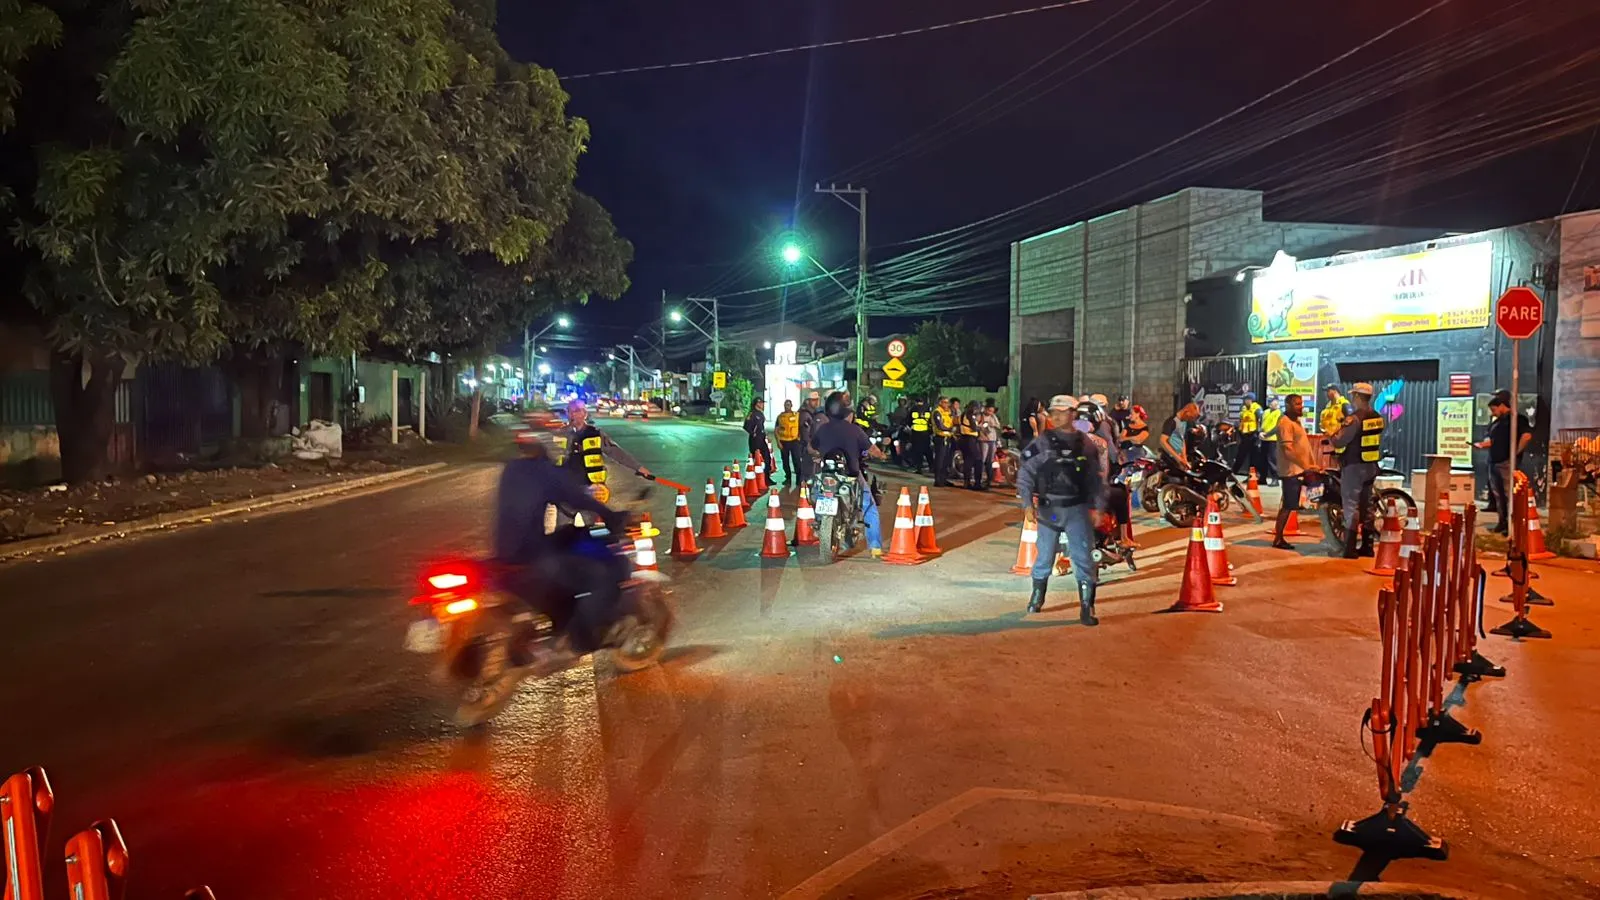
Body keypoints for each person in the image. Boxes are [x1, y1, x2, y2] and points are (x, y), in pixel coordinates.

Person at [493, 432, 632, 678]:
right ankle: (576, 641)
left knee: (569, 537)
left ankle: (561, 624)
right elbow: (576, 497)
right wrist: (612, 515)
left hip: (506, 552)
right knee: (601, 578)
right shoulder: (545, 472)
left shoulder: (512, 469)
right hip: (531, 555)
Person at [1016, 396, 1108, 625]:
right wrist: (1027, 504)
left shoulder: (1086, 444)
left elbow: (1095, 479)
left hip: (1077, 510)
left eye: (1062, 412)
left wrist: (1098, 507)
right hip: (1051, 510)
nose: (1056, 417)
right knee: (1044, 557)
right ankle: (1037, 596)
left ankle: (1087, 607)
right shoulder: (1042, 442)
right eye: (1053, 412)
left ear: (1073, 414)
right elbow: (1025, 473)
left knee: (1083, 558)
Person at [809, 391, 885, 556]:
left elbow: (811, 447)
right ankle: (875, 547)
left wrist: (817, 454)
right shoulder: (854, 430)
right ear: (846, 413)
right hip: (851, 476)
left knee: (815, 493)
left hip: (826, 475)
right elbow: (872, 449)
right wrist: (881, 454)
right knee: (869, 507)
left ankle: (818, 522)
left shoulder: (823, 429)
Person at [554, 400, 649, 516]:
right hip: (567, 487)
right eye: (570, 411)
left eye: (577, 411)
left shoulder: (595, 434)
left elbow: (616, 452)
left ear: (585, 414)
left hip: (592, 487)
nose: (573, 414)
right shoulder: (560, 434)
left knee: (591, 521)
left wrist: (638, 468)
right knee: (564, 521)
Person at [1329, 382, 1385, 558]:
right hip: (1371, 465)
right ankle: (1367, 546)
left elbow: (1339, 440)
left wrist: (1332, 434)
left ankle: (1350, 548)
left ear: (1358, 397)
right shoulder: (1377, 417)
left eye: (1354, 396)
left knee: (1351, 505)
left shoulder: (1354, 419)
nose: (1352, 399)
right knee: (1367, 505)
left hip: (1354, 466)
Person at [1474, 391, 1533, 536]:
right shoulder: (1496, 423)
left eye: (1494, 410)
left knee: (1508, 495)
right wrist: (1482, 445)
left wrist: (1515, 453)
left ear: (1502, 405)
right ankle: (1502, 521)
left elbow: (1526, 436)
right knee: (1498, 495)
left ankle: (1512, 524)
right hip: (1493, 461)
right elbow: (1492, 441)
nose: (1493, 413)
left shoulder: (1516, 419)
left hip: (1506, 462)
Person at [1270, 394, 1318, 550]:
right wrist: (1305, 465)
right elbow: (1288, 451)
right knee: (1288, 505)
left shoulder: (1296, 421)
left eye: (1301, 403)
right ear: (1288, 405)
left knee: (1301, 502)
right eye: (1297, 404)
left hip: (1301, 469)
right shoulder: (1285, 423)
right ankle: (1278, 538)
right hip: (1292, 471)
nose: (1300, 406)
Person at [1159, 402, 1201, 471]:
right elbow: (1163, 441)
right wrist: (1179, 459)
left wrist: (1184, 459)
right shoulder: (1172, 421)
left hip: (1177, 459)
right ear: (1186, 412)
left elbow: (1181, 440)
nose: (1190, 419)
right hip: (1168, 459)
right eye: (1191, 417)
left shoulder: (1184, 422)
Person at [744, 398, 775, 481]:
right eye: (761, 403)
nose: (762, 404)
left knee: (767, 458)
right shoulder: (752, 414)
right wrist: (753, 433)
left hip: (762, 439)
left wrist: (765, 435)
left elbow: (761, 426)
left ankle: (766, 478)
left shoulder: (760, 413)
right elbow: (746, 426)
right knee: (757, 459)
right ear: (757, 404)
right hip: (755, 440)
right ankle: (757, 479)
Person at [1233, 392, 1263, 475]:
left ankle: (1252, 475)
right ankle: (1233, 472)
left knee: (1253, 457)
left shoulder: (1257, 409)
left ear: (1251, 400)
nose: (1244, 401)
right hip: (1244, 436)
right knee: (1240, 455)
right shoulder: (1243, 408)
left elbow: (1261, 421)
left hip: (1253, 435)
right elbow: (1241, 421)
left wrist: (1259, 434)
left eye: (1246, 399)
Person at [776, 398, 802, 486]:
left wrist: (800, 438)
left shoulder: (797, 415)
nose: (787, 406)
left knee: (797, 460)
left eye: (788, 405)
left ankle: (799, 479)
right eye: (786, 405)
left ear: (791, 406)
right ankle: (788, 478)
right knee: (785, 461)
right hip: (784, 442)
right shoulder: (780, 417)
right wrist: (778, 442)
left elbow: (801, 427)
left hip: (795, 441)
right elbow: (776, 430)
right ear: (784, 406)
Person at [1258, 397, 1283, 485]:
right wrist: (1260, 432)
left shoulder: (1279, 413)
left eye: (1276, 403)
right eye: (1272, 403)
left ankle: (1275, 479)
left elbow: (1278, 427)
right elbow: (1261, 424)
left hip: (1273, 439)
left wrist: (1267, 434)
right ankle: (1262, 478)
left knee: (1272, 460)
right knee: (1263, 459)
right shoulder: (1265, 412)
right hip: (1264, 439)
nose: (1273, 405)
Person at [958, 399, 983, 489]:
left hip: (963, 439)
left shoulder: (963, 414)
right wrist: (980, 427)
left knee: (968, 461)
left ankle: (967, 482)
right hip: (970, 439)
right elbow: (974, 428)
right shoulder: (969, 415)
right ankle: (977, 483)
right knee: (978, 460)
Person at [978, 399, 1002, 489]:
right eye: (989, 410)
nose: (990, 412)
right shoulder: (981, 416)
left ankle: (989, 479)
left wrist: (993, 424)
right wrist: (984, 425)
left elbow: (998, 425)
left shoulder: (993, 417)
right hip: (983, 440)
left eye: (992, 411)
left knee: (990, 460)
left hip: (992, 439)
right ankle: (979, 478)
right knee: (982, 459)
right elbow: (977, 426)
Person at [905, 396, 933, 474]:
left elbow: (908, 420)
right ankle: (932, 467)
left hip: (916, 433)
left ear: (916, 402)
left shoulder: (913, 409)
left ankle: (919, 468)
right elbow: (931, 421)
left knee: (917, 451)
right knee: (927, 450)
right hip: (925, 433)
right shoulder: (927, 409)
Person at [933, 396, 956, 486]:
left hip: (948, 437)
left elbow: (952, 422)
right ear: (940, 403)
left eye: (947, 402)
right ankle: (938, 480)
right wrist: (950, 429)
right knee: (940, 459)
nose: (947, 404)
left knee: (946, 460)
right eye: (945, 402)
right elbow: (940, 426)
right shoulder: (937, 412)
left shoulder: (948, 412)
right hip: (940, 438)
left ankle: (944, 479)